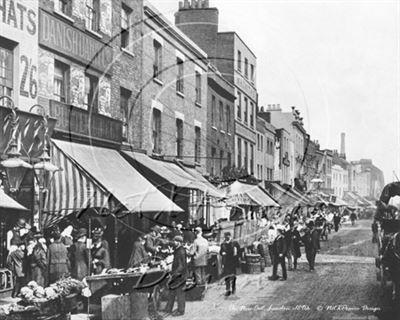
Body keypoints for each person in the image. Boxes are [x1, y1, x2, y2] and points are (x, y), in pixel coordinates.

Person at [165, 235, 188, 316]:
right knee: (172, 291)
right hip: (177, 274)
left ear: (179, 242)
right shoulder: (178, 250)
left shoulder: (181, 251)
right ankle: (168, 308)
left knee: (180, 293)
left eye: (174, 241)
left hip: (180, 276)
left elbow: (181, 265)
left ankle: (181, 311)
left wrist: (174, 274)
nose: (173, 242)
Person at [220, 232, 238, 297]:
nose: (226, 237)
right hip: (226, 262)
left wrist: (236, 253)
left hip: (233, 261)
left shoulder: (234, 243)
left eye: (228, 236)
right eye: (225, 236)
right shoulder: (223, 244)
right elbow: (220, 252)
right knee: (227, 276)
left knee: (233, 276)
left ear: (230, 236)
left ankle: (233, 288)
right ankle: (228, 289)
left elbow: (238, 251)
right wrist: (222, 253)